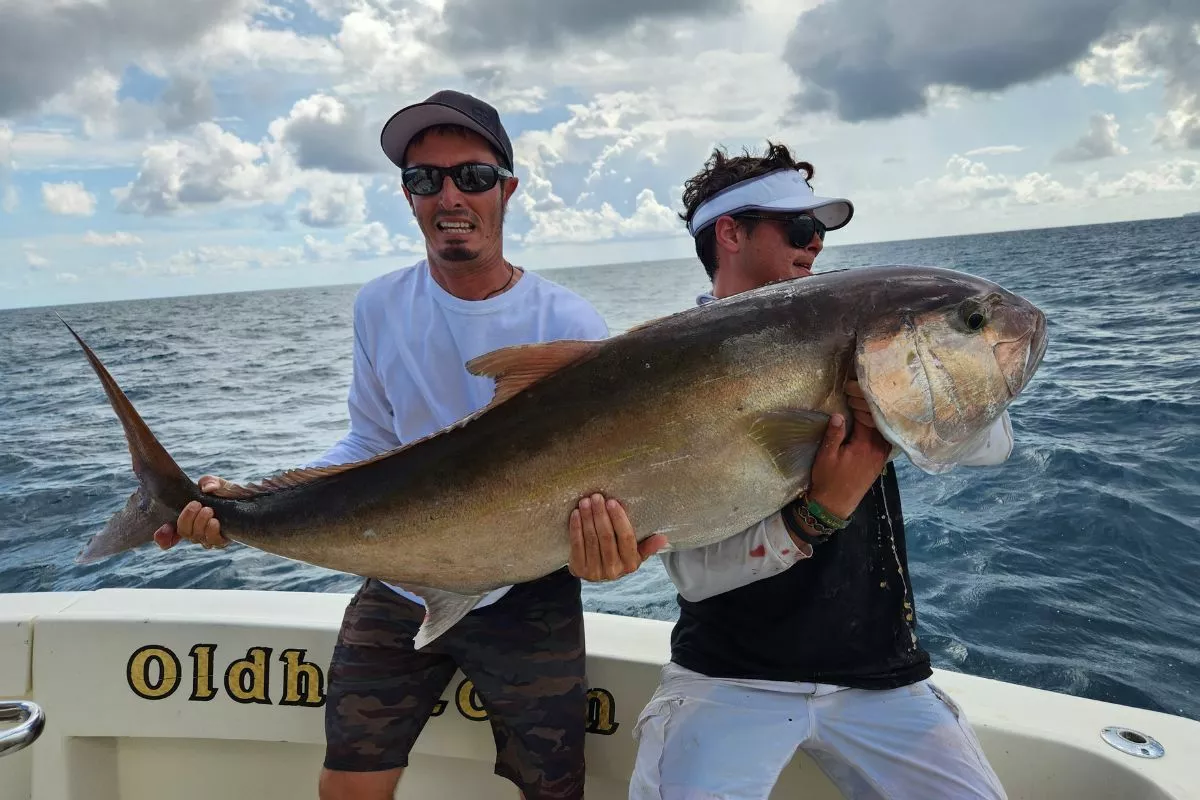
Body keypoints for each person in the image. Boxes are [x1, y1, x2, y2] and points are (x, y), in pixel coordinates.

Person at [152, 89, 664, 800]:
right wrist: (245, 500)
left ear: (507, 190)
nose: (450, 195)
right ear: (408, 196)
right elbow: (370, 438)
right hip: (400, 577)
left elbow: (599, 470)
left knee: (555, 791)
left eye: (473, 177)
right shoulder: (379, 304)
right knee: (348, 786)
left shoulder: (566, 318)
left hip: (524, 588)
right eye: (427, 179)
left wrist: (612, 548)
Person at [593, 142, 1012, 799]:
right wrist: (819, 513)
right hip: (728, 677)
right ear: (729, 233)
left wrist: (900, 407)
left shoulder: (854, 334)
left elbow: (991, 445)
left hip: (882, 676)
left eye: (818, 231)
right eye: (798, 228)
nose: (814, 245)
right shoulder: (661, 370)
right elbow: (696, 574)